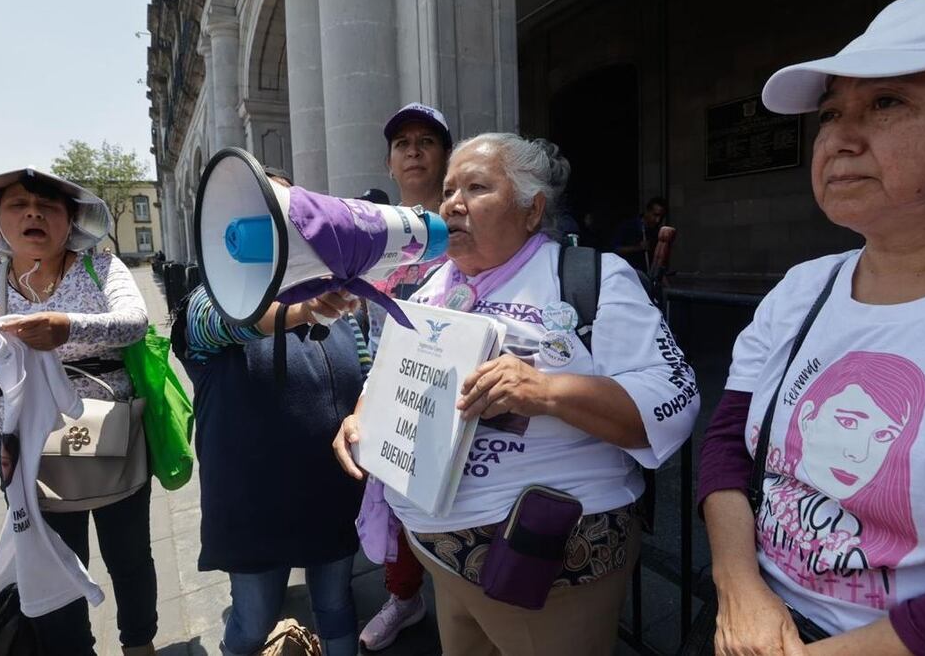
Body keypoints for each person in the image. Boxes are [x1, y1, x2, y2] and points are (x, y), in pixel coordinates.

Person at [335, 133, 697, 655]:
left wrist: (546, 391)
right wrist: (361, 417)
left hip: (541, 566)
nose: (453, 203)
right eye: (449, 189)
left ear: (533, 210)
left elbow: (675, 399)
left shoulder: (590, 278)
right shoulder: (430, 285)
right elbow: (383, 376)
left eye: (477, 187)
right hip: (440, 557)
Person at [697, 0, 925, 654]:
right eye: (829, 114)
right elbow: (729, 443)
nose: (840, 138)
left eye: (886, 103)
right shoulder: (802, 288)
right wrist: (739, 590)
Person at [0, 167, 157, 656]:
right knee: (49, 555)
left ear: (71, 220)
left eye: (49, 206)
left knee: (129, 553)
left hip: (105, 430)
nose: (34, 213)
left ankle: (139, 642)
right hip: (24, 448)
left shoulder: (100, 268)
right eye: (19, 205)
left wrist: (68, 326)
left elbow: (133, 322)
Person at [174, 171, 368, 656]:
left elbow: (368, 378)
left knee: (336, 605)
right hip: (254, 505)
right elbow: (227, 321)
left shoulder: (343, 308)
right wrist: (303, 311)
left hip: (332, 495)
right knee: (252, 619)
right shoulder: (207, 300)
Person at [359, 102, 453, 651]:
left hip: (459, 395)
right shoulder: (375, 237)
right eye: (402, 144)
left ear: (445, 155)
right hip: (392, 391)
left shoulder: (467, 224)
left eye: (426, 141)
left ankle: (467, 608)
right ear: (391, 164)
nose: (413, 150)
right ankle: (405, 600)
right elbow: (364, 323)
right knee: (393, 508)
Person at [611, 196, 667, 272]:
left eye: (661, 217)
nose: (658, 220)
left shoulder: (656, 232)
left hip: (645, 275)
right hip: (627, 273)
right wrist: (638, 248)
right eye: (655, 215)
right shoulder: (628, 226)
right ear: (647, 211)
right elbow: (615, 249)